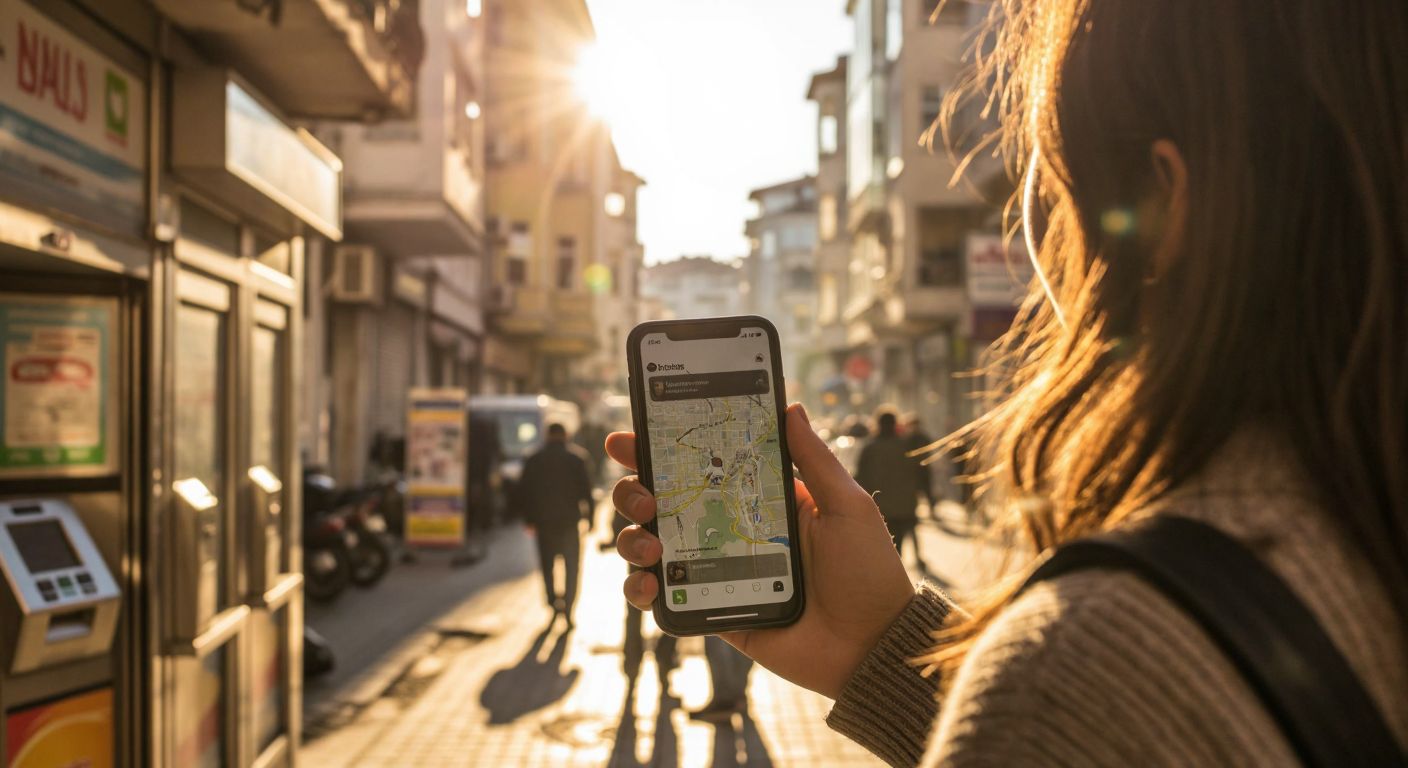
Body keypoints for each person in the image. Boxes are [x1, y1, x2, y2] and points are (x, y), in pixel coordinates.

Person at [604, 1, 1408, 764]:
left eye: (1055, 188)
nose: (1041, 246)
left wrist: (1011, 697)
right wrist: (879, 647)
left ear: (1166, 204)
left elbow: (1083, 731)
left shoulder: (1095, 652)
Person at [518, 422, 593, 628]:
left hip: (544, 523)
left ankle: (553, 603)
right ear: (566, 434)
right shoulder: (577, 458)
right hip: (570, 523)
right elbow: (587, 491)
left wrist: (529, 520)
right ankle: (569, 607)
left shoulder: (533, 459)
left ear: (547, 435)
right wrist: (591, 519)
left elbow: (524, 492)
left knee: (547, 566)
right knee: (571, 568)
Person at [855, 408, 926, 572]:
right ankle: (898, 575)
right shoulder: (906, 446)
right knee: (899, 542)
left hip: (880, 507)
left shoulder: (870, 448)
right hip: (905, 504)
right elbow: (917, 473)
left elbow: (860, 479)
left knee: (885, 547)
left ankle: (891, 577)